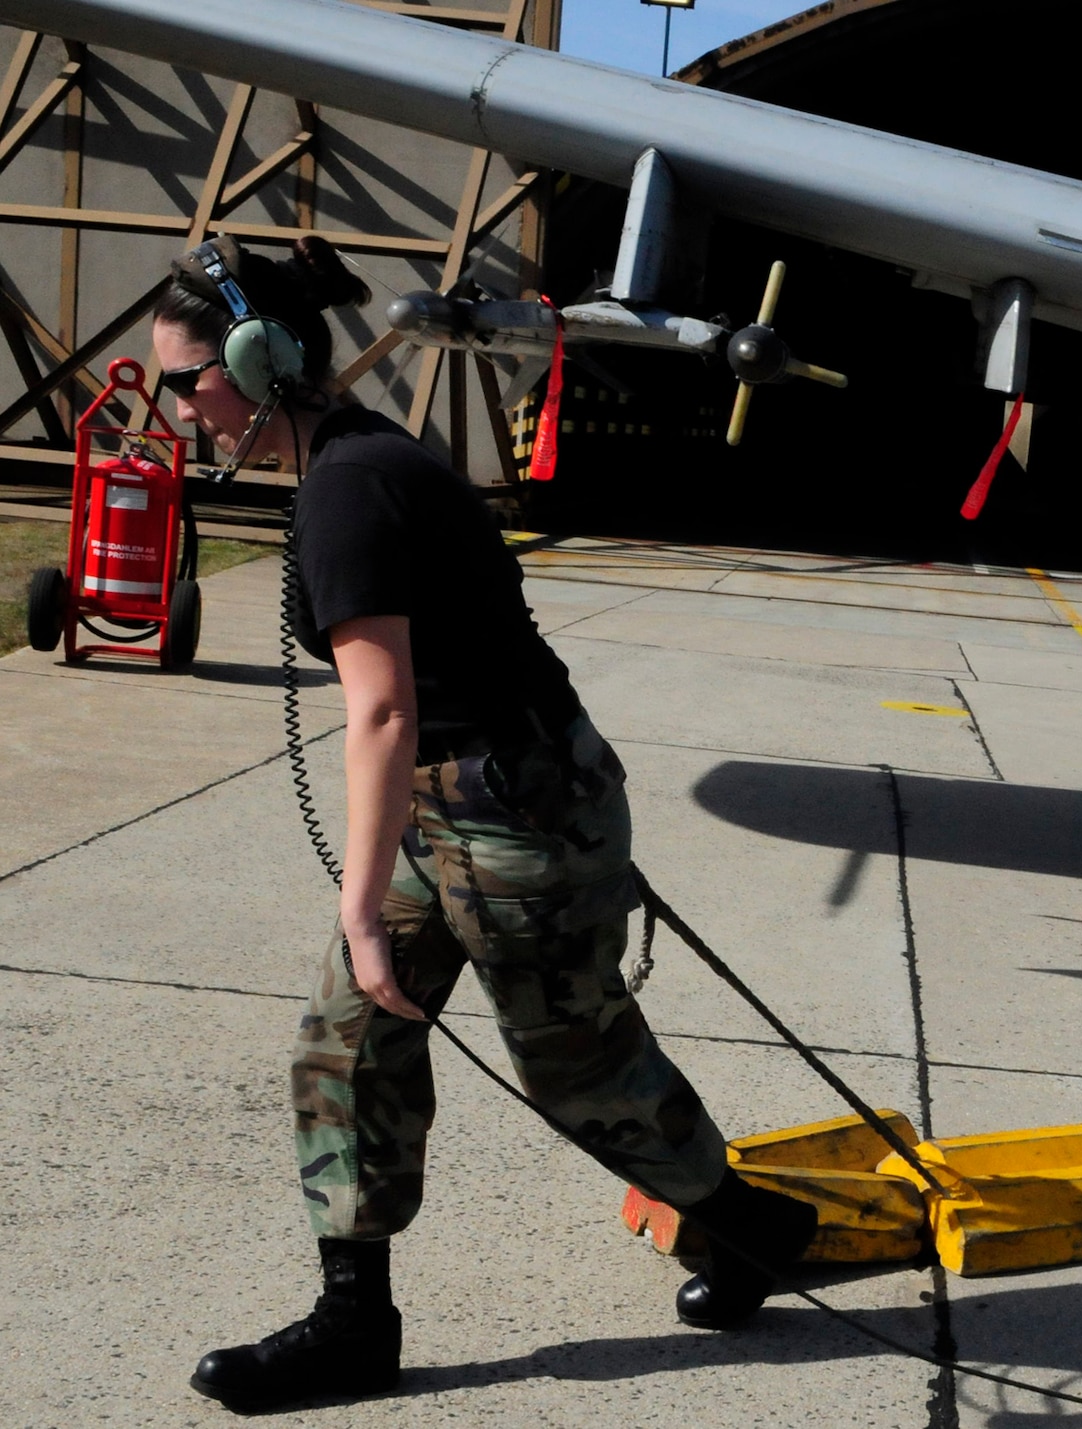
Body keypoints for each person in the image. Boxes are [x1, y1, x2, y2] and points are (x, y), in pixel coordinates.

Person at [152, 236, 816, 1413]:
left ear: (258, 364)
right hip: (465, 797)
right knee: (345, 1044)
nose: (177, 406)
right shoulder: (351, 464)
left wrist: (359, 907)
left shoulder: (352, 487)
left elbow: (382, 710)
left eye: (185, 379)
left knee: (580, 1071)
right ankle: (355, 1325)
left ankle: (750, 1225)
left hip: (511, 810)